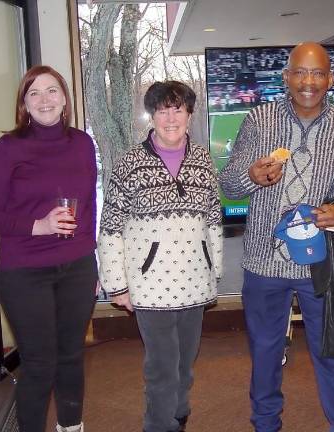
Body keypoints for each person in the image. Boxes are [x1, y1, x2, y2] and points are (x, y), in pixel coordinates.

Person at [219, 41, 334, 432]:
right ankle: (265, 424)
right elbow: (230, 183)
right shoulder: (259, 120)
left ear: (330, 79)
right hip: (264, 262)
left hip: (322, 263)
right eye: (300, 72)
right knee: (266, 354)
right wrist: (250, 177)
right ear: (286, 77)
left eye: (318, 73)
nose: (308, 81)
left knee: (331, 354)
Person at [0, 65, 97, 432]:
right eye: (34, 93)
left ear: (64, 98)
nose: (45, 100)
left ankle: (71, 427)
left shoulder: (82, 143)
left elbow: (88, 207)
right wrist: (39, 225)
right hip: (25, 272)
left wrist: (92, 264)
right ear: (24, 104)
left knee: (72, 355)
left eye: (52, 90)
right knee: (41, 362)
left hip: (76, 266)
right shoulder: (8, 148)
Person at [97, 81, 222, 432]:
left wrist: (215, 272)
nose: (170, 117)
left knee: (185, 364)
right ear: (152, 116)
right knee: (163, 367)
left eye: (177, 109)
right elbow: (109, 227)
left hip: (195, 284)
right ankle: (158, 425)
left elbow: (213, 217)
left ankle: (178, 416)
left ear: (189, 114)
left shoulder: (202, 160)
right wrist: (117, 285)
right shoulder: (130, 164)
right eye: (162, 110)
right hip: (150, 288)